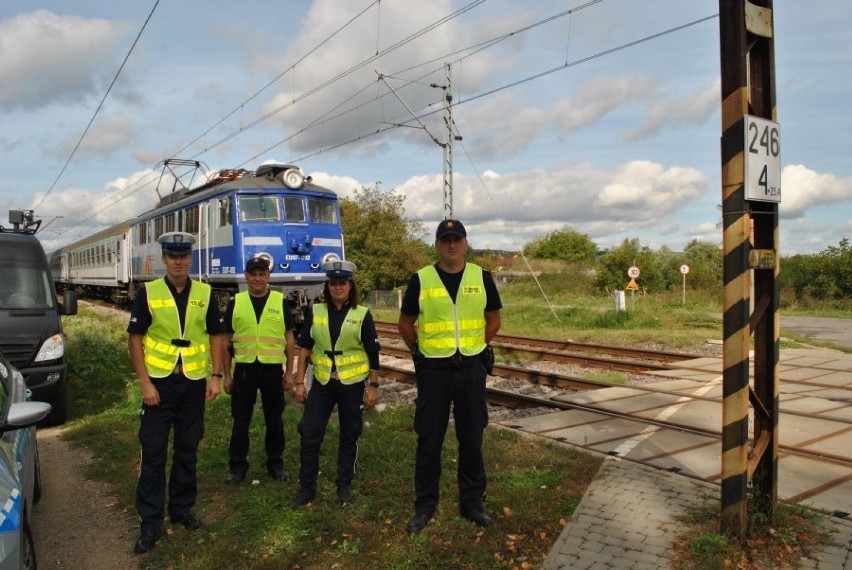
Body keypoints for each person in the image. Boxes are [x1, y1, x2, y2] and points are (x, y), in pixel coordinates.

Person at [398, 219, 502, 534]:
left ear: (466, 243)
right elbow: (405, 323)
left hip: (471, 369)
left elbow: (493, 320)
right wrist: (421, 351)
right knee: (429, 439)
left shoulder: (482, 277)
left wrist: (474, 347)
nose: (452, 245)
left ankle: (472, 504)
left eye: (457, 239)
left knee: (471, 437)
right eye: (446, 240)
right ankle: (424, 506)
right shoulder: (421, 279)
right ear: (437, 245)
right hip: (435, 370)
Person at [127, 232, 226, 554]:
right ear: (164, 258)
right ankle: (150, 523)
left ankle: (182, 510)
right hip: (159, 384)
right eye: (173, 255)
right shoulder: (149, 292)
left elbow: (216, 335)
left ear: (191, 258)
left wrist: (215, 376)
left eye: (184, 255)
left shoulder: (205, 292)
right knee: (153, 453)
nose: (179, 261)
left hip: (193, 383)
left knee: (188, 448)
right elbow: (135, 338)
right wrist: (145, 383)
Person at [291, 260, 381, 507]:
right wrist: (300, 382)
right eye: (333, 283)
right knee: (309, 432)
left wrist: (373, 387)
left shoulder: (362, 314)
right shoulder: (316, 312)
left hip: (351, 384)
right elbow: (305, 348)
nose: (338, 287)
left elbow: (373, 352)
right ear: (327, 286)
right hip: (321, 383)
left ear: (350, 286)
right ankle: (307, 487)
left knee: (349, 434)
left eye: (343, 283)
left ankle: (344, 485)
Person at [222, 256, 295, 484]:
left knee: (274, 419)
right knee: (241, 420)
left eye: (261, 274)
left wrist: (289, 372)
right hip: (244, 370)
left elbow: (289, 339)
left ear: (268, 277)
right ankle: (237, 468)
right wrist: (226, 375)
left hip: (272, 370)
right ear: (246, 276)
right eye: (253, 274)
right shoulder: (236, 302)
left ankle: (275, 464)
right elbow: (226, 341)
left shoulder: (280, 302)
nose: (257, 278)